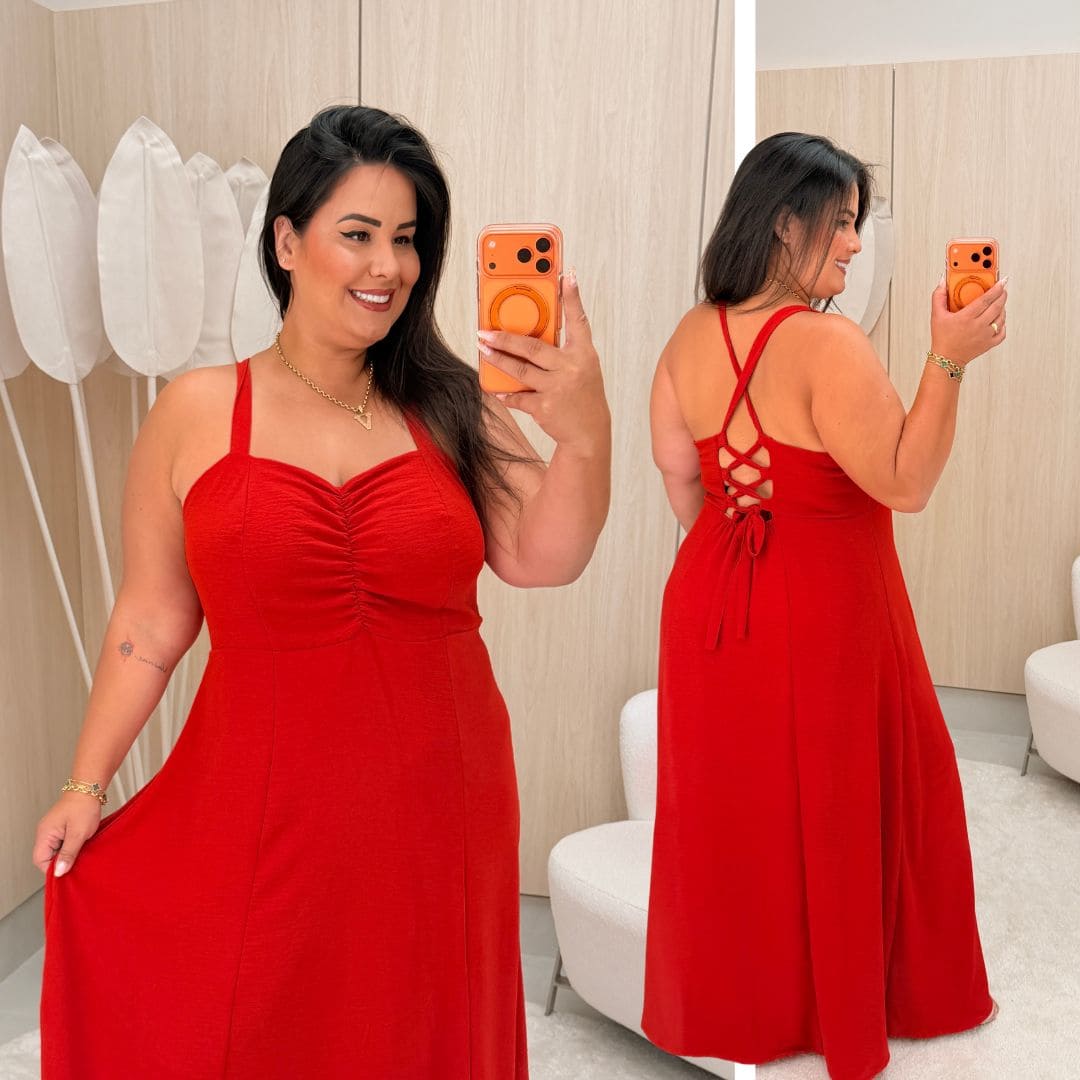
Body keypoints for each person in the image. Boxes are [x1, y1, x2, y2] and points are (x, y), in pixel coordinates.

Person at [34, 104, 610, 1079]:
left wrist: (586, 434)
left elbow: (544, 557)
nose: (388, 266)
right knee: (252, 1011)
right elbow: (151, 619)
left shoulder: (451, 404)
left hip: (442, 785)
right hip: (263, 792)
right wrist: (85, 784)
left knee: (417, 1016)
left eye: (407, 240)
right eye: (358, 234)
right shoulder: (196, 410)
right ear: (287, 242)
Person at [641, 132, 1004, 1080]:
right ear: (783, 223)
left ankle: (755, 1009)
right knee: (856, 798)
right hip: (829, 608)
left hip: (711, 603)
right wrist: (949, 361)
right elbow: (905, 481)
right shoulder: (827, 342)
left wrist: (746, 538)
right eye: (841, 224)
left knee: (740, 811)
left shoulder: (689, 334)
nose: (853, 244)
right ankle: (848, 1010)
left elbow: (683, 482)